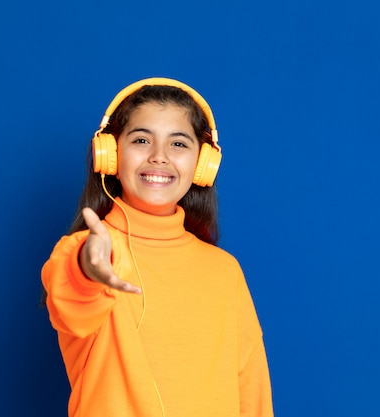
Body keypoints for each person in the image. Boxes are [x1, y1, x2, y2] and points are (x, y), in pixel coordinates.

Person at [41, 77, 273, 417]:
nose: (159, 157)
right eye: (140, 140)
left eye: (178, 144)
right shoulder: (89, 251)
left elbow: (251, 392)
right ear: (110, 155)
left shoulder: (225, 270)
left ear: (203, 163)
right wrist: (91, 266)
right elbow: (73, 285)